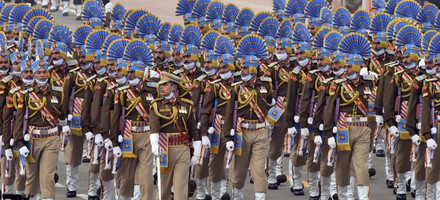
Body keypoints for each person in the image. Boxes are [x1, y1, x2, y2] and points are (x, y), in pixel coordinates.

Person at [14, 59, 70, 200]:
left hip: (51, 139)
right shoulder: (26, 95)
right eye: (38, 72)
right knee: (32, 178)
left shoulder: (56, 93)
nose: (42, 75)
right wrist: (19, 143)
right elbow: (19, 121)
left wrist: (65, 124)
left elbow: (61, 113)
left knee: (47, 177)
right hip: (33, 140)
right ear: (33, 75)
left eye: (44, 72)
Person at [149, 72, 202, 200]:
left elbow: (193, 129)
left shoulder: (186, 105)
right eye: (160, 84)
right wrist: (155, 144)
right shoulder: (157, 105)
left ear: (174, 87)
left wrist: (197, 151)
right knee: (163, 189)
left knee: (181, 189)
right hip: (164, 149)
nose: (161, 87)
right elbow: (154, 127)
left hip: (182, 148)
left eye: (165, 84)